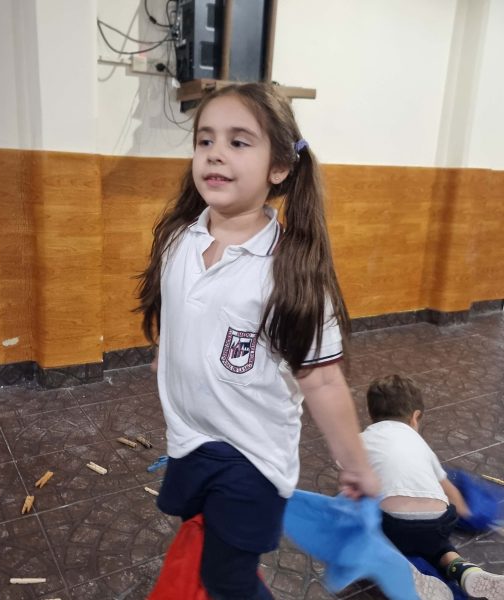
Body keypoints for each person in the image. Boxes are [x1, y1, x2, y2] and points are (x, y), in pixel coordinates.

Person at [135, 81, 380, 600]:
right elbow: (180, 315)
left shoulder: (291, 270)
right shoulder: (178, 238)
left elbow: (322, 380)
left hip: (252, 458)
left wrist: (356, 464)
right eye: (205, 140)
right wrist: (170, 356)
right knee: (207, 543)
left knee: (228, 578)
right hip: (189, 439)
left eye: (238, 141)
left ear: (280, 168)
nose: (215, 152)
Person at [362, 374, 504, 600]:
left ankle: (412, 571)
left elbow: (353, 484)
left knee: (377, 530)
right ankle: (466, 570)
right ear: (415, 417)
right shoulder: (419, 443)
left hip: (395, 525)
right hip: (438, 522)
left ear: (371, 415)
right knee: (439, 547)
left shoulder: (361, 439)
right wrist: (469, 515)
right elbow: (449, 489)